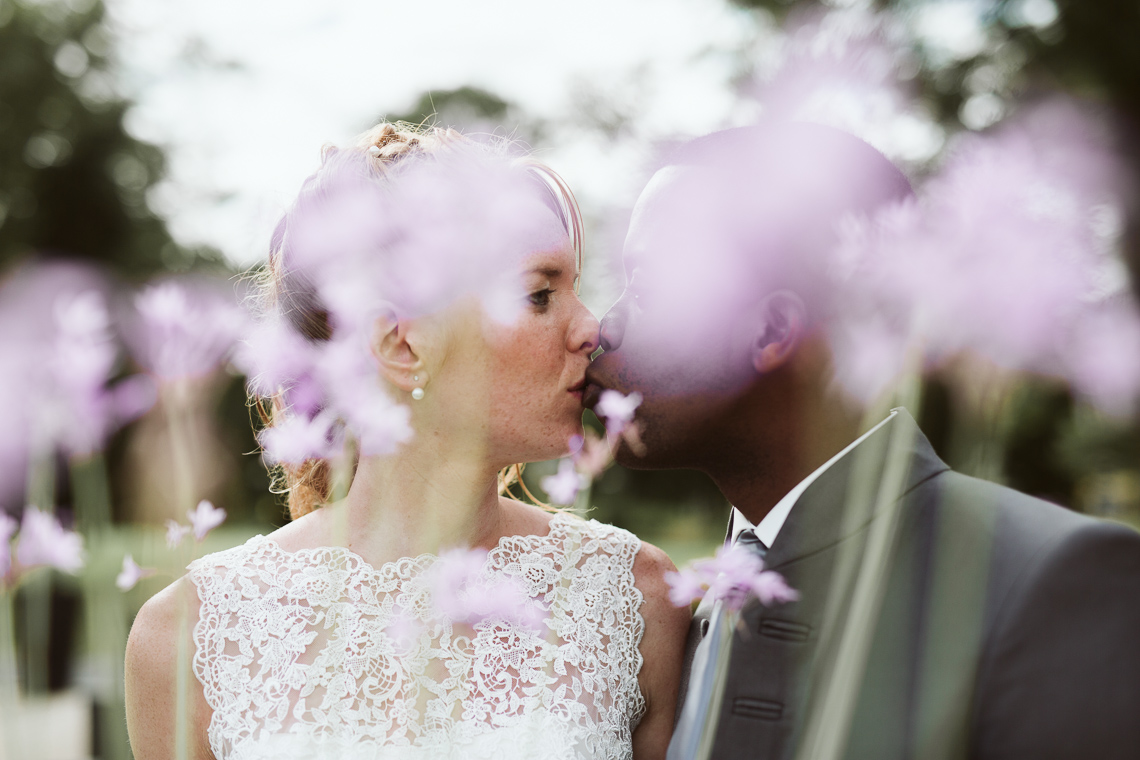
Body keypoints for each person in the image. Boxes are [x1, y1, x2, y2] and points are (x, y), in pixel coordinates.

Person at [124, 123, 690, 760]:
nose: (591, 327)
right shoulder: (191, 632)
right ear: (401, 343)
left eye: (575, 288)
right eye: (539, 294)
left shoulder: (635, 600)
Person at [584, 122, 1140, 760]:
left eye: (650, 285)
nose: (607, 322)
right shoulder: (685, 617)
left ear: (769, 332)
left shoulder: (1047, 579)